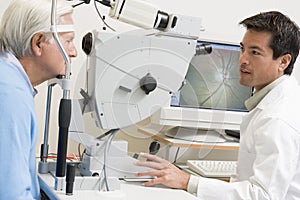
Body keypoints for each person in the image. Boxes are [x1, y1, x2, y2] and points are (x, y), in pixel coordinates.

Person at [135, 11, 300, 200]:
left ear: (283, 62)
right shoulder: (276, 100)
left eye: (255, 52)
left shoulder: (278, 118)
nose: (243, 59)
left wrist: (188, 181)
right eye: (242, 49)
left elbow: (262, 196)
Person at [0, 0, 77, 199]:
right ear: (38, 43)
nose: (74, 52)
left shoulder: (10, 80)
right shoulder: (9, 93)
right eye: (68, 41)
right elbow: (10, 194)